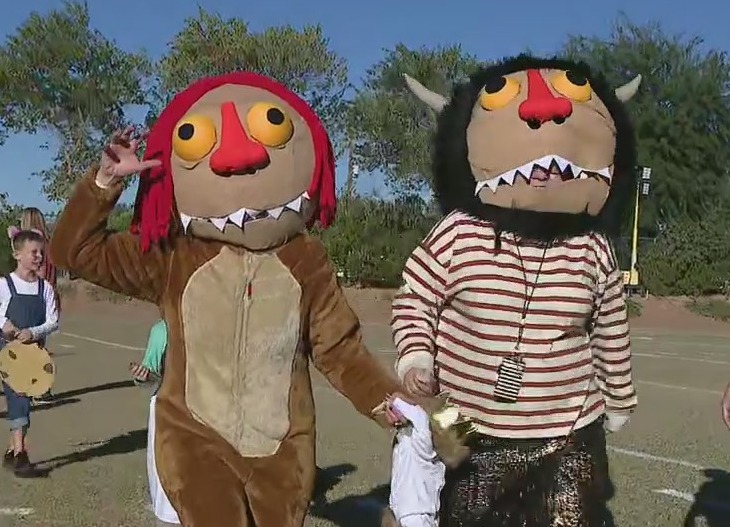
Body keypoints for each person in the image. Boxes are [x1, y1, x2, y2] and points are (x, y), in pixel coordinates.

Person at [50, 74, 433, 527]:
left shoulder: (305, 260)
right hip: (195, 439)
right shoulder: (174, 255)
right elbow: (74, 252)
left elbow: (339, 350)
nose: (238, 158)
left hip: (282, 449)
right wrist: (103, 184)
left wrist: (385, 400)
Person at [391, 56, 642, 526]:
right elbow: (415, 299)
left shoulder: (592, 245)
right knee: (462, 517)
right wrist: (417, 357)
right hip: (462, 418)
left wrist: (619, 397)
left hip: (568, 427)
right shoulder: (457, 232)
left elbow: (610, 328)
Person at [0, 229, 59, 478]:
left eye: (41, 252)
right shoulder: (3, 285)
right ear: (17, 255)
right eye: (33, 252)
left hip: (34, 353)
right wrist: (3, 323)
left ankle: (12, 450)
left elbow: (53, 321)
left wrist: (33, 332)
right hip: (9, 352)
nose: (39, 257)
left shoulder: (45, 288)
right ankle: (21, 456)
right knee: (19, 398)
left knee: (24, 400)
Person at [129, 318, 180, 525]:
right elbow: (151, 372)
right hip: (168, 411)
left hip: (208, 411)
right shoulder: (161, 330)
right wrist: (144, 375)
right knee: (167, 477)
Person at [6, 207, 58, 405]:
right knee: (36, 344)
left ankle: (38, 388)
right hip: (47, 299)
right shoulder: (47, 244)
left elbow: (38, 273)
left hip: (35, 299)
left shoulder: (36, 246)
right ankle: (37, 387)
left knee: (32, 345)